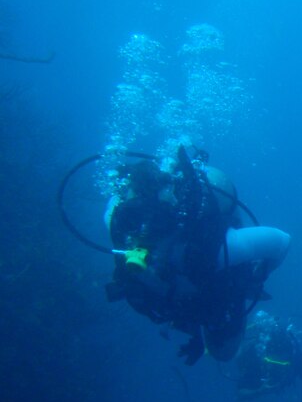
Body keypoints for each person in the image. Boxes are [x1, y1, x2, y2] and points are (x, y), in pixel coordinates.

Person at [105, 146, 290, 364]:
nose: (143, 236)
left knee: (224, 351)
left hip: (210, 251)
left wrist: (257, 275)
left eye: (155, 226)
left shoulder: (216, 249)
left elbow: (282, 241)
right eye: (132, 221)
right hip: (184, 275)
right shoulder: (115, 222)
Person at [234, 310, 302, 402]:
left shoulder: (297, 357)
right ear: (265, 357)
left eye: (282, 365)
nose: (277, 368)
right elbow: (240, 393)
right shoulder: (254, 358)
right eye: (272, 363)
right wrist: (260, 391)